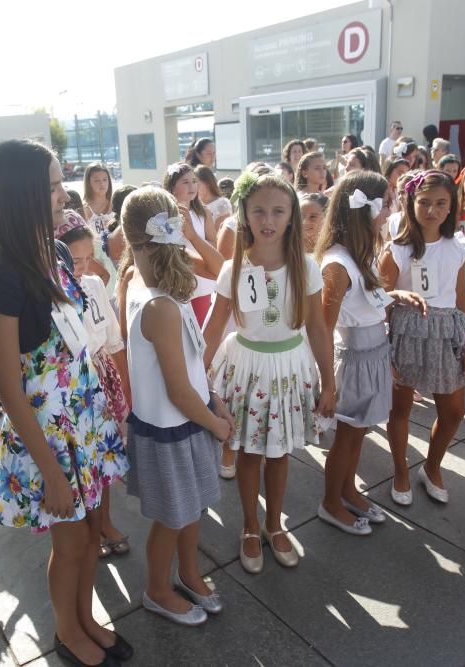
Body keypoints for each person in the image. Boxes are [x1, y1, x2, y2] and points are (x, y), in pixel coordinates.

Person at [0, 140, 131, 665]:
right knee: (67, 543)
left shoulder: (59, 250)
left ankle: (87, 616)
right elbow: (8, 386)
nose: (60, 192)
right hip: (47, 432)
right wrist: (50, 472)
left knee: (92, 532)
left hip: (83, 416)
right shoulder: (2, 277)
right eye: (48, 184)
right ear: (21, 195)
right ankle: (67, 630)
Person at [204, 173, 332, 572]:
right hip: (246, 368)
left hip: (289, 368)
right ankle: (249, 525)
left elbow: (317, 326)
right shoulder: (233, 267)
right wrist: (195, 374)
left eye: (278, 210)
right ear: (243, 212)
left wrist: (329, 380)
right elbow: (213, 325)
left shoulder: (307, 267)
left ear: (292, 215)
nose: (268, 219)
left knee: (279, 453)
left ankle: (275, 524)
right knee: (248, 452)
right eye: (258, 210)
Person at [120, 186, 232, 626]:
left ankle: (188, 573)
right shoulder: (160, 303)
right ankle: (156, 589)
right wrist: (217, 425)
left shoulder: (143, 280)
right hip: (173, 428)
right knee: (172, 518)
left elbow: (192, 367)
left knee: (193, 508)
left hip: (189, 420)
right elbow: (177, 390)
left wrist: (214, 400)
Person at [313, 171, 426, 534]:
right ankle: (330, 502)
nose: (391, 211)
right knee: (346, 438)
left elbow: (362, 302)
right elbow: (323, 328)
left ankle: (348, 490)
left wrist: (393, 296)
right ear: (366, 210)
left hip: (374, 352)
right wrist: (327, 385)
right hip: (354, 360)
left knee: (359, 434)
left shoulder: (361, 253)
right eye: (387, 203)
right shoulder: (337, 264)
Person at [381, 170, 465, 506]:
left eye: (441, 203)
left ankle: (432, 466)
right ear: (411, 203)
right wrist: (386, 336)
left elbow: (461, 296)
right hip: (407, 330)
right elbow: (380, 297)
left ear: (452, 205)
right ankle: (400, 470)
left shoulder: (459, 246)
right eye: (424, 202)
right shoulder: (397, 248)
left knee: (453, 410)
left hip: (446, 332)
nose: (432, 210)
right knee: (400, 408)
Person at [56, 217, 131, 559]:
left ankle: (104, 520)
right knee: (80, 461)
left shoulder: (96, 285)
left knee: (104, 457)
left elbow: (114, 341)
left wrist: (125, 393)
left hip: (103, 374)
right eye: (74, 259)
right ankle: (86, 524)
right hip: (73, 385)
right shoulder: (53, 296)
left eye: (88, 258)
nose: (83, 267)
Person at [164, 162, 223, 325]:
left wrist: (193, 236)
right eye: (185, 182)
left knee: (201, 327)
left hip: (203, 279)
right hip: (177, 278)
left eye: (194, 181)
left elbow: (213, 244)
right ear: (172, 187)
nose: (192, 186)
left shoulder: (203, 213)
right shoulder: (165, 216)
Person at [82, 162, 115, 235]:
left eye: (105, 179)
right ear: (88, 183)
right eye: (97, 180)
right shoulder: (84, 209)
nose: (102, 184)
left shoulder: (116, 204)